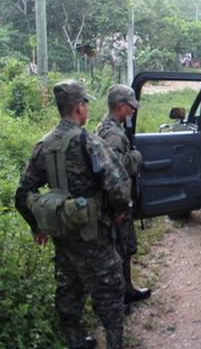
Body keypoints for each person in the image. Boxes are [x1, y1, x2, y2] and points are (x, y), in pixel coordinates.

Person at [15, 80, 131, 349]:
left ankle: (76, 342)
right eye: (85, 104)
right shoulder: (89, 142)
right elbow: (119, 188)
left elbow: (22, 194)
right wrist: (118, 213)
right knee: (110, 293)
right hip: (95, 237)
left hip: (63, 237)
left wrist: (36, 226)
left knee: (68, 292)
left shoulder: (43, 146)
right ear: (80, 107)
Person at [96, 84, 151, 306]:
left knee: (124, 250)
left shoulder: (109, 127)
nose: (133, 111)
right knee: (118, 252)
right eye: (130, 107)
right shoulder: (112, 135)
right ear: (120, 106)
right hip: (115, 203)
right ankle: (120, 300)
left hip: (115, 202)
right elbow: (114, 172)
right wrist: (136, 157)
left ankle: (127, 291)